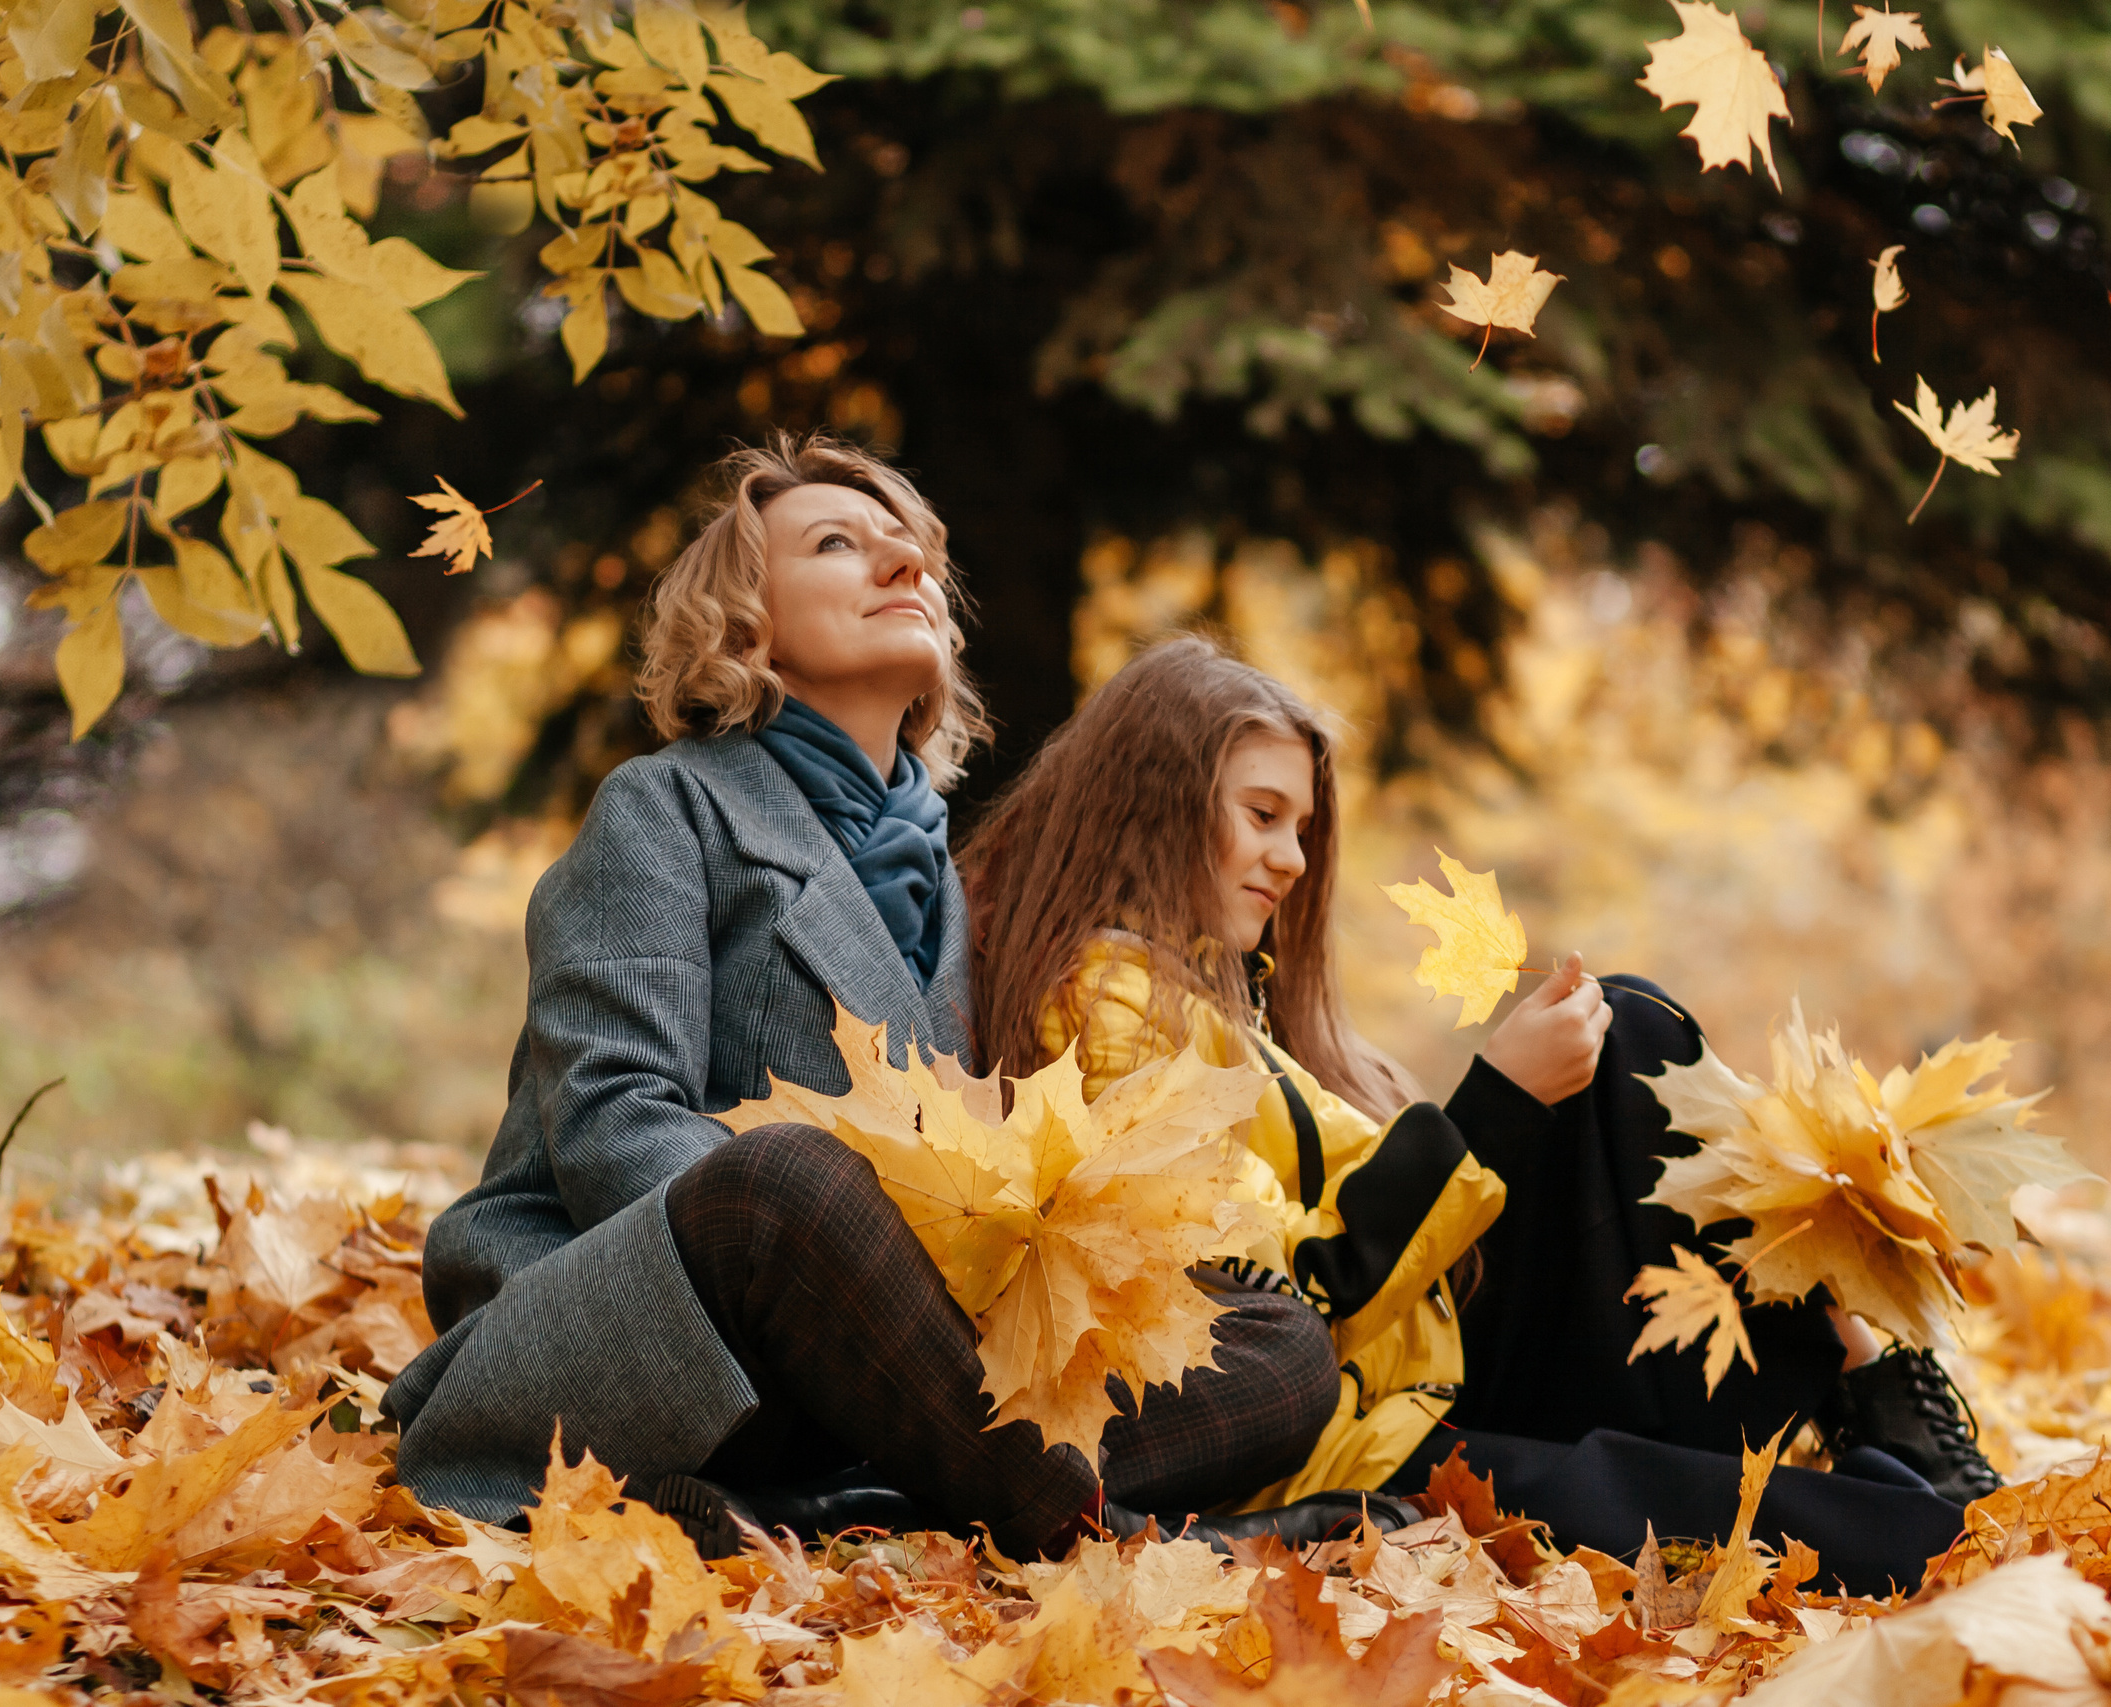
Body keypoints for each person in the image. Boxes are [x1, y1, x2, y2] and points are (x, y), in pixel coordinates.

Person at [387, 439, 1406, 1561]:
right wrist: (903, 1257)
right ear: (743, 621)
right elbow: (610, 1125)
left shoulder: (948, 887)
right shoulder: (664, 809)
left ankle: (867, 1511)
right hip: (639, 1336)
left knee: (1269, 1341)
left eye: (913, 555)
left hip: (862, 1387)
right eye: (838, 545)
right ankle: (1106, 1533)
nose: (901, 568)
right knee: (788, 1175)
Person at [959, 637, 1996, 1594]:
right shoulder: (1107, 1006)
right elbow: (1291, 1295)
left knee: (1628, 1032)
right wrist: (1491, 1109)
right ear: (1157, 805)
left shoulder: (1219, 1002)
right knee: (1789, 1524)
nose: (1292, 861)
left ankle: (1880, 1381)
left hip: (1423, 1381)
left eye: (1303, 829)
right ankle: (1912, 1468)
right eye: (1262, 816)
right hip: (1356, 1434)